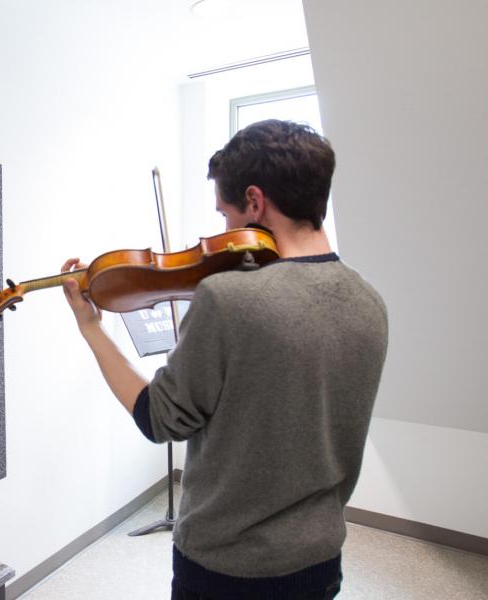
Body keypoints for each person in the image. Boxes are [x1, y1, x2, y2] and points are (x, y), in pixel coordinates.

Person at [61, 119, 388, 599]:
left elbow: (159, 419)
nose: (225, 233)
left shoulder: (228, 298)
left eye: (225, 214)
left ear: (255, 202)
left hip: (227, 567)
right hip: (320, 560)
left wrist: (91, 329)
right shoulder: (370, 301)